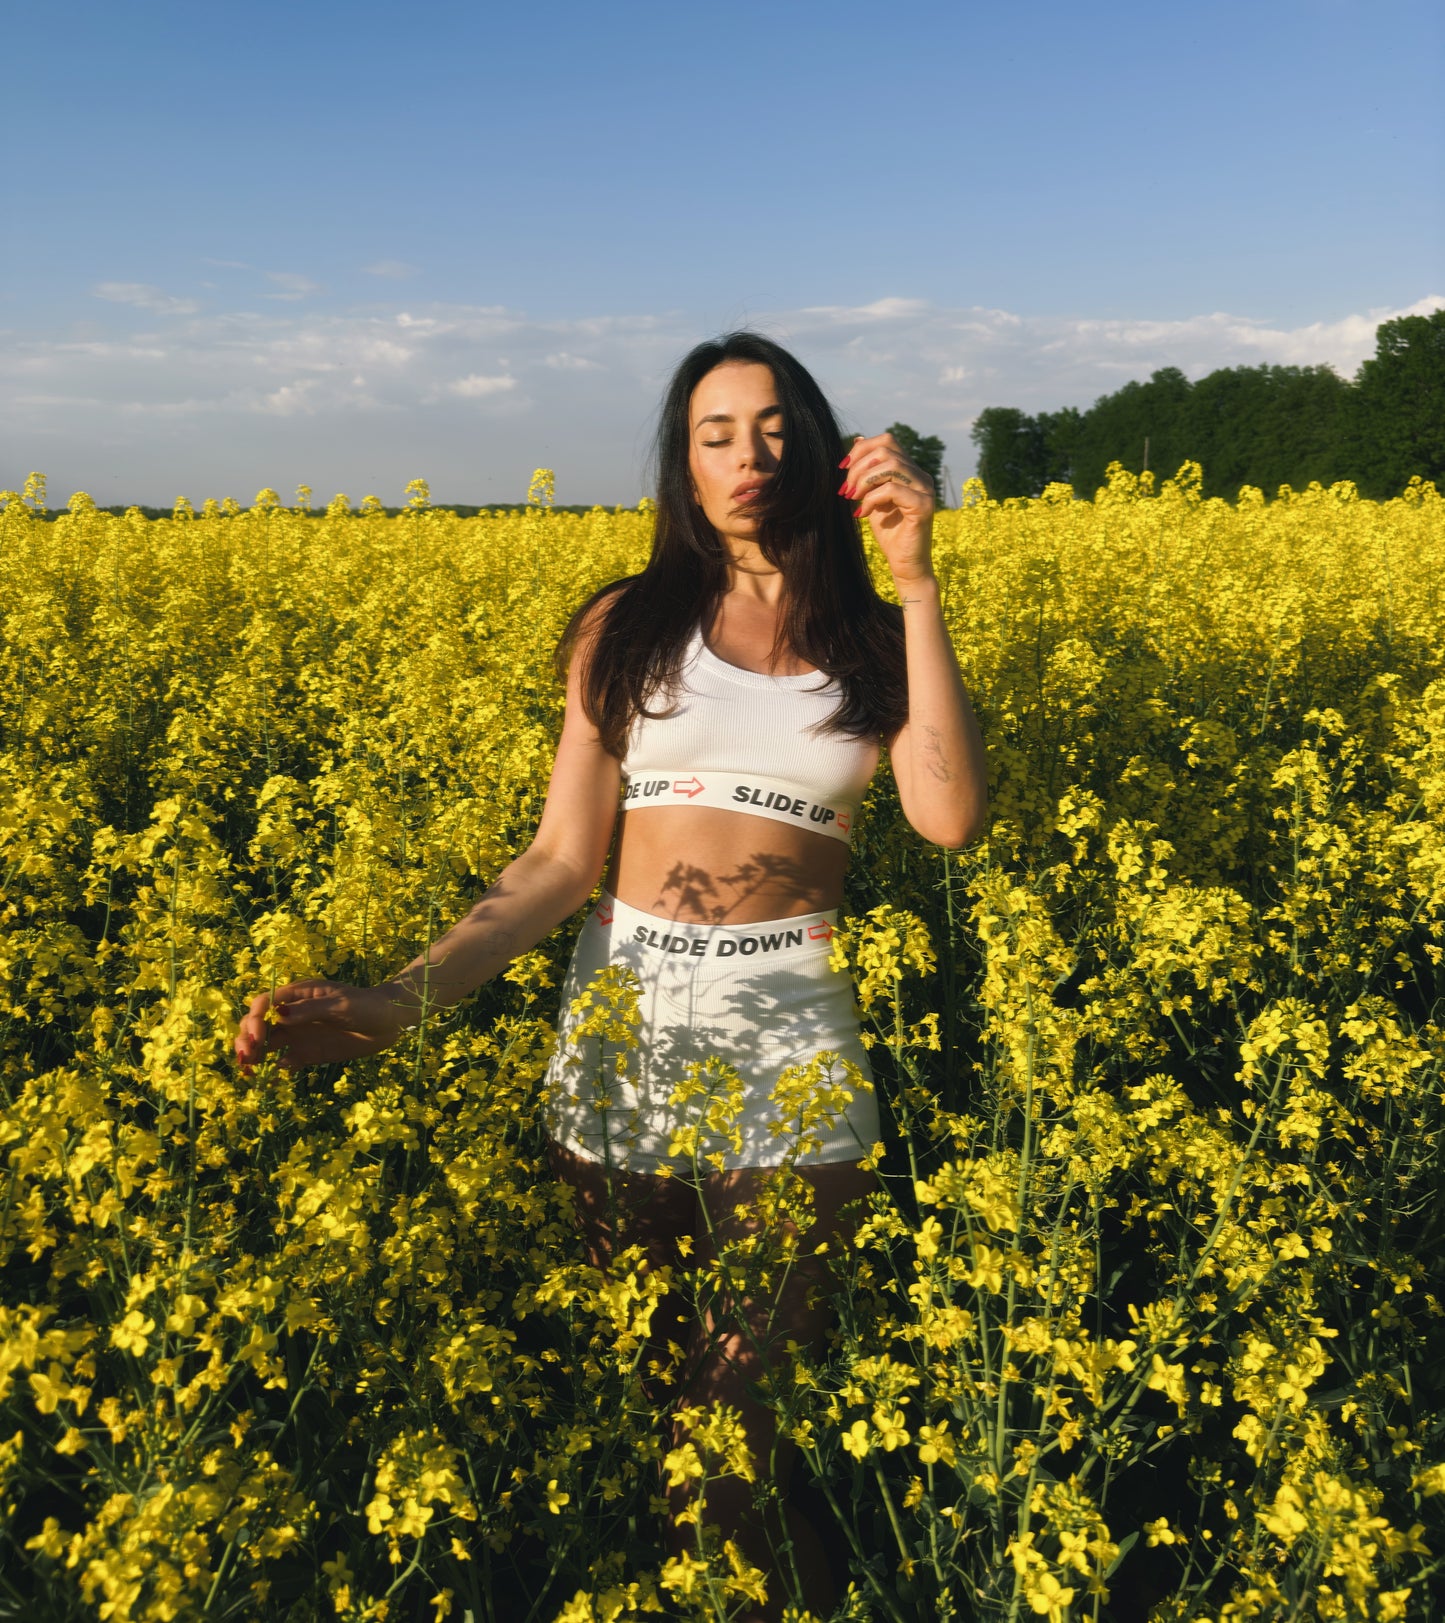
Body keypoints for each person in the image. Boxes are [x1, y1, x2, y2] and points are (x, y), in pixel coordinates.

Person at [235, 331, 988, 1621]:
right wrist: (387, 1006)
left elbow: (947, 817)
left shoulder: (872, 635)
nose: (745, 456)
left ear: (818, 444)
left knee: (733, 1437)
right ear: (682, 468)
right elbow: (555, 865)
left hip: (791, 1042)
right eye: (713, 434)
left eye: (770, 427)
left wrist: (918, 585)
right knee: (658, 1428)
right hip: (619, 1034)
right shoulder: (626, 625)